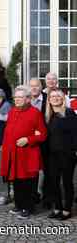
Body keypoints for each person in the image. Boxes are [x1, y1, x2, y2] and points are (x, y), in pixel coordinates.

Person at [1, 85, 47, 219]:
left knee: (28, 183)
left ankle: (28, 207)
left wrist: (28, 139)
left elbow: (43, 134)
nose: (17, 100)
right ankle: (19, 205)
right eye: (15, 97)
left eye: (20, 97)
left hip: (28, 154)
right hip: (13, 154)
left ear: (28, 99)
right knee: (16, 182)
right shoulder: (12, 111)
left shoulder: (35, 113)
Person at [45, 89, 77, 220]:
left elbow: (76, 134)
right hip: (52, 155)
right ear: (49, 99)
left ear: (63, 98)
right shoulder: (49, 115)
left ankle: (67, 209)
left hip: (67, 154)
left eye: (58, 96)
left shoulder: (69, 113)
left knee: (67, 182)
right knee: (53, 182)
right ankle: (57, 207)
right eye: (52, 96)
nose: (55, 98)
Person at [29, 78, 49, 206]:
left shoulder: (48, 98)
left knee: (46, 169)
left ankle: (46, 197)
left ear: (41, 87)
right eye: (31, 86)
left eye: (36, 86)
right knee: (32, 168)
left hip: (46, 140)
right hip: (30, 140)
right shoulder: (26, 99)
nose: (34, 88)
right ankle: (33, 194)